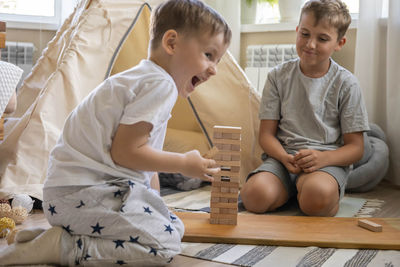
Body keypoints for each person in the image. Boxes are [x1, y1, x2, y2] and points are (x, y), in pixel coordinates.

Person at [0, 0, 231, 265]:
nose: (214, 69)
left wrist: (155, 206)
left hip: (70, 196)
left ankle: (51, 236)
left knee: (173, 225)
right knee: (164, 244)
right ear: (172, 43)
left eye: (218, 60)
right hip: (85, 194)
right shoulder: (160, 85)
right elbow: (126, 153)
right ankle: (64, 247)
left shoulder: (142, 78)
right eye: (209, 55)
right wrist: (183, 164)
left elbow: (146, 164)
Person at [240, 0, 369, 217]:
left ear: (339, 42)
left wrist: (322, 159)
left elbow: (356, 148)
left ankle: (311, 191)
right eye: (305, 34)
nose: (310, 44)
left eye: (323, 38)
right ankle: (292, 189)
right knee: (253, 196)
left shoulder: (347, 84)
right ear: (297, 30)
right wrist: (283, 157)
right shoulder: (277, 76)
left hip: (326, 163)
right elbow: (266, 135)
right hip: (283, 160)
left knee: (315, 198)